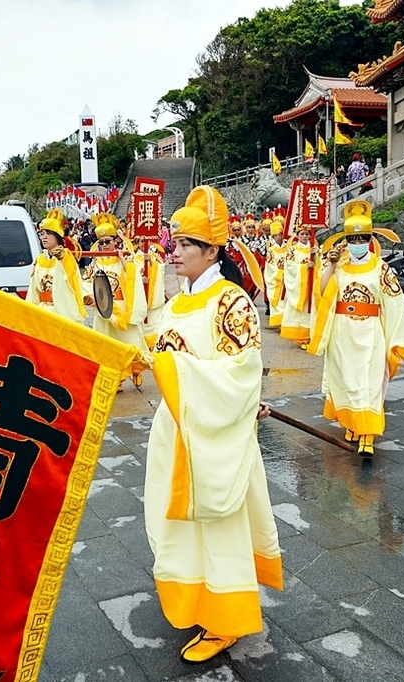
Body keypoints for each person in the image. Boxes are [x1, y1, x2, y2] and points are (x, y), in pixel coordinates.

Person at [145, 185, 282, 664]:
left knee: (218, 527)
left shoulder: (233, 302)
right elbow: (165, 351)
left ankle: (225, 619)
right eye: (174, 242)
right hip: (175, 429)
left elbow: (241, 372)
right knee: (176, 524)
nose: (174, 251)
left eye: (185, 245)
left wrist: (168, 366)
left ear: (212, 251)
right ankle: (192, 599)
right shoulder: (175, 300)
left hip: (214, 436)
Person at [308, 200, 404, 456]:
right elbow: (320, 292)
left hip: (370, 332)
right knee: (344, 380)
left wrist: (395, 339)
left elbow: (395, 302)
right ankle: (351, 424)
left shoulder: (381, 267)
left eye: (362, 238)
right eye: (352, 239)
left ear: (370, 239)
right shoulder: (339, 265)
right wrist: (330, 264)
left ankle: (368, 434)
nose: (357, 244)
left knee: (369, 382)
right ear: (345, 240)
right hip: (342, 332)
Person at [82, 214, 150, 390]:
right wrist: (90, 297)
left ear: (115, 240)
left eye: (108, 241)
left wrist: (123, 261)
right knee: (106, 345)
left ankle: (136, 368)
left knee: (131, 342)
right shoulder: (95, 263)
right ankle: (116, 378)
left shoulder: (126, 259)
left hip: (121, 308)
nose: (105, 246)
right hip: (103, 309)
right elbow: (86, 283)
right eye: (101, 242)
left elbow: (134, 275)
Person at [25, 209, 87, 324]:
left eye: (48, 233)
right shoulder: (39, 259)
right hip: (43, 312)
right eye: (42, 234)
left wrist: (61, 257)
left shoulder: (66, 257)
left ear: (57, 236)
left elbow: (73, 278)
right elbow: (33, 290)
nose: (44, 237)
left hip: (61, 312)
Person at [279, 224, 318, 348]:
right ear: (297, 236)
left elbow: (322, 265)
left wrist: (315, 259)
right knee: (299, 311)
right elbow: (289, 266)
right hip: (299, 285)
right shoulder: (293, 250)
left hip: (311, 283)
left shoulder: (315, 249)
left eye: (307, 234)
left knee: (311, 310)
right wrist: (305, 266)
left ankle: (310, 334)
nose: (305, 236)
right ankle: (300, 336)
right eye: (302, 234)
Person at [263, 219, 288, 327]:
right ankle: (278, 320)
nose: (279, 237)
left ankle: (286, 320)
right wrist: (279, 272)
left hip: (288, 277)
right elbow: (270, 266)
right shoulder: (271, 250)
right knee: (276, 298)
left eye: (280, 235)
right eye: (276, 236)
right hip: (277, 277)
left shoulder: (289, 247)